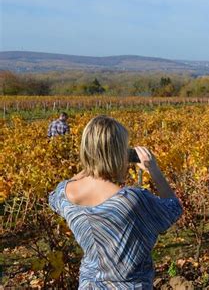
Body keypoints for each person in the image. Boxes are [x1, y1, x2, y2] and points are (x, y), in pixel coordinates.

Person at [48, 115, 182, 288]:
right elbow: (174, 208)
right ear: (119, 153)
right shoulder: (132, 200)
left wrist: (91, 164)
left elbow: (54, 196)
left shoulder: (65, 195)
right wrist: (153, 169)